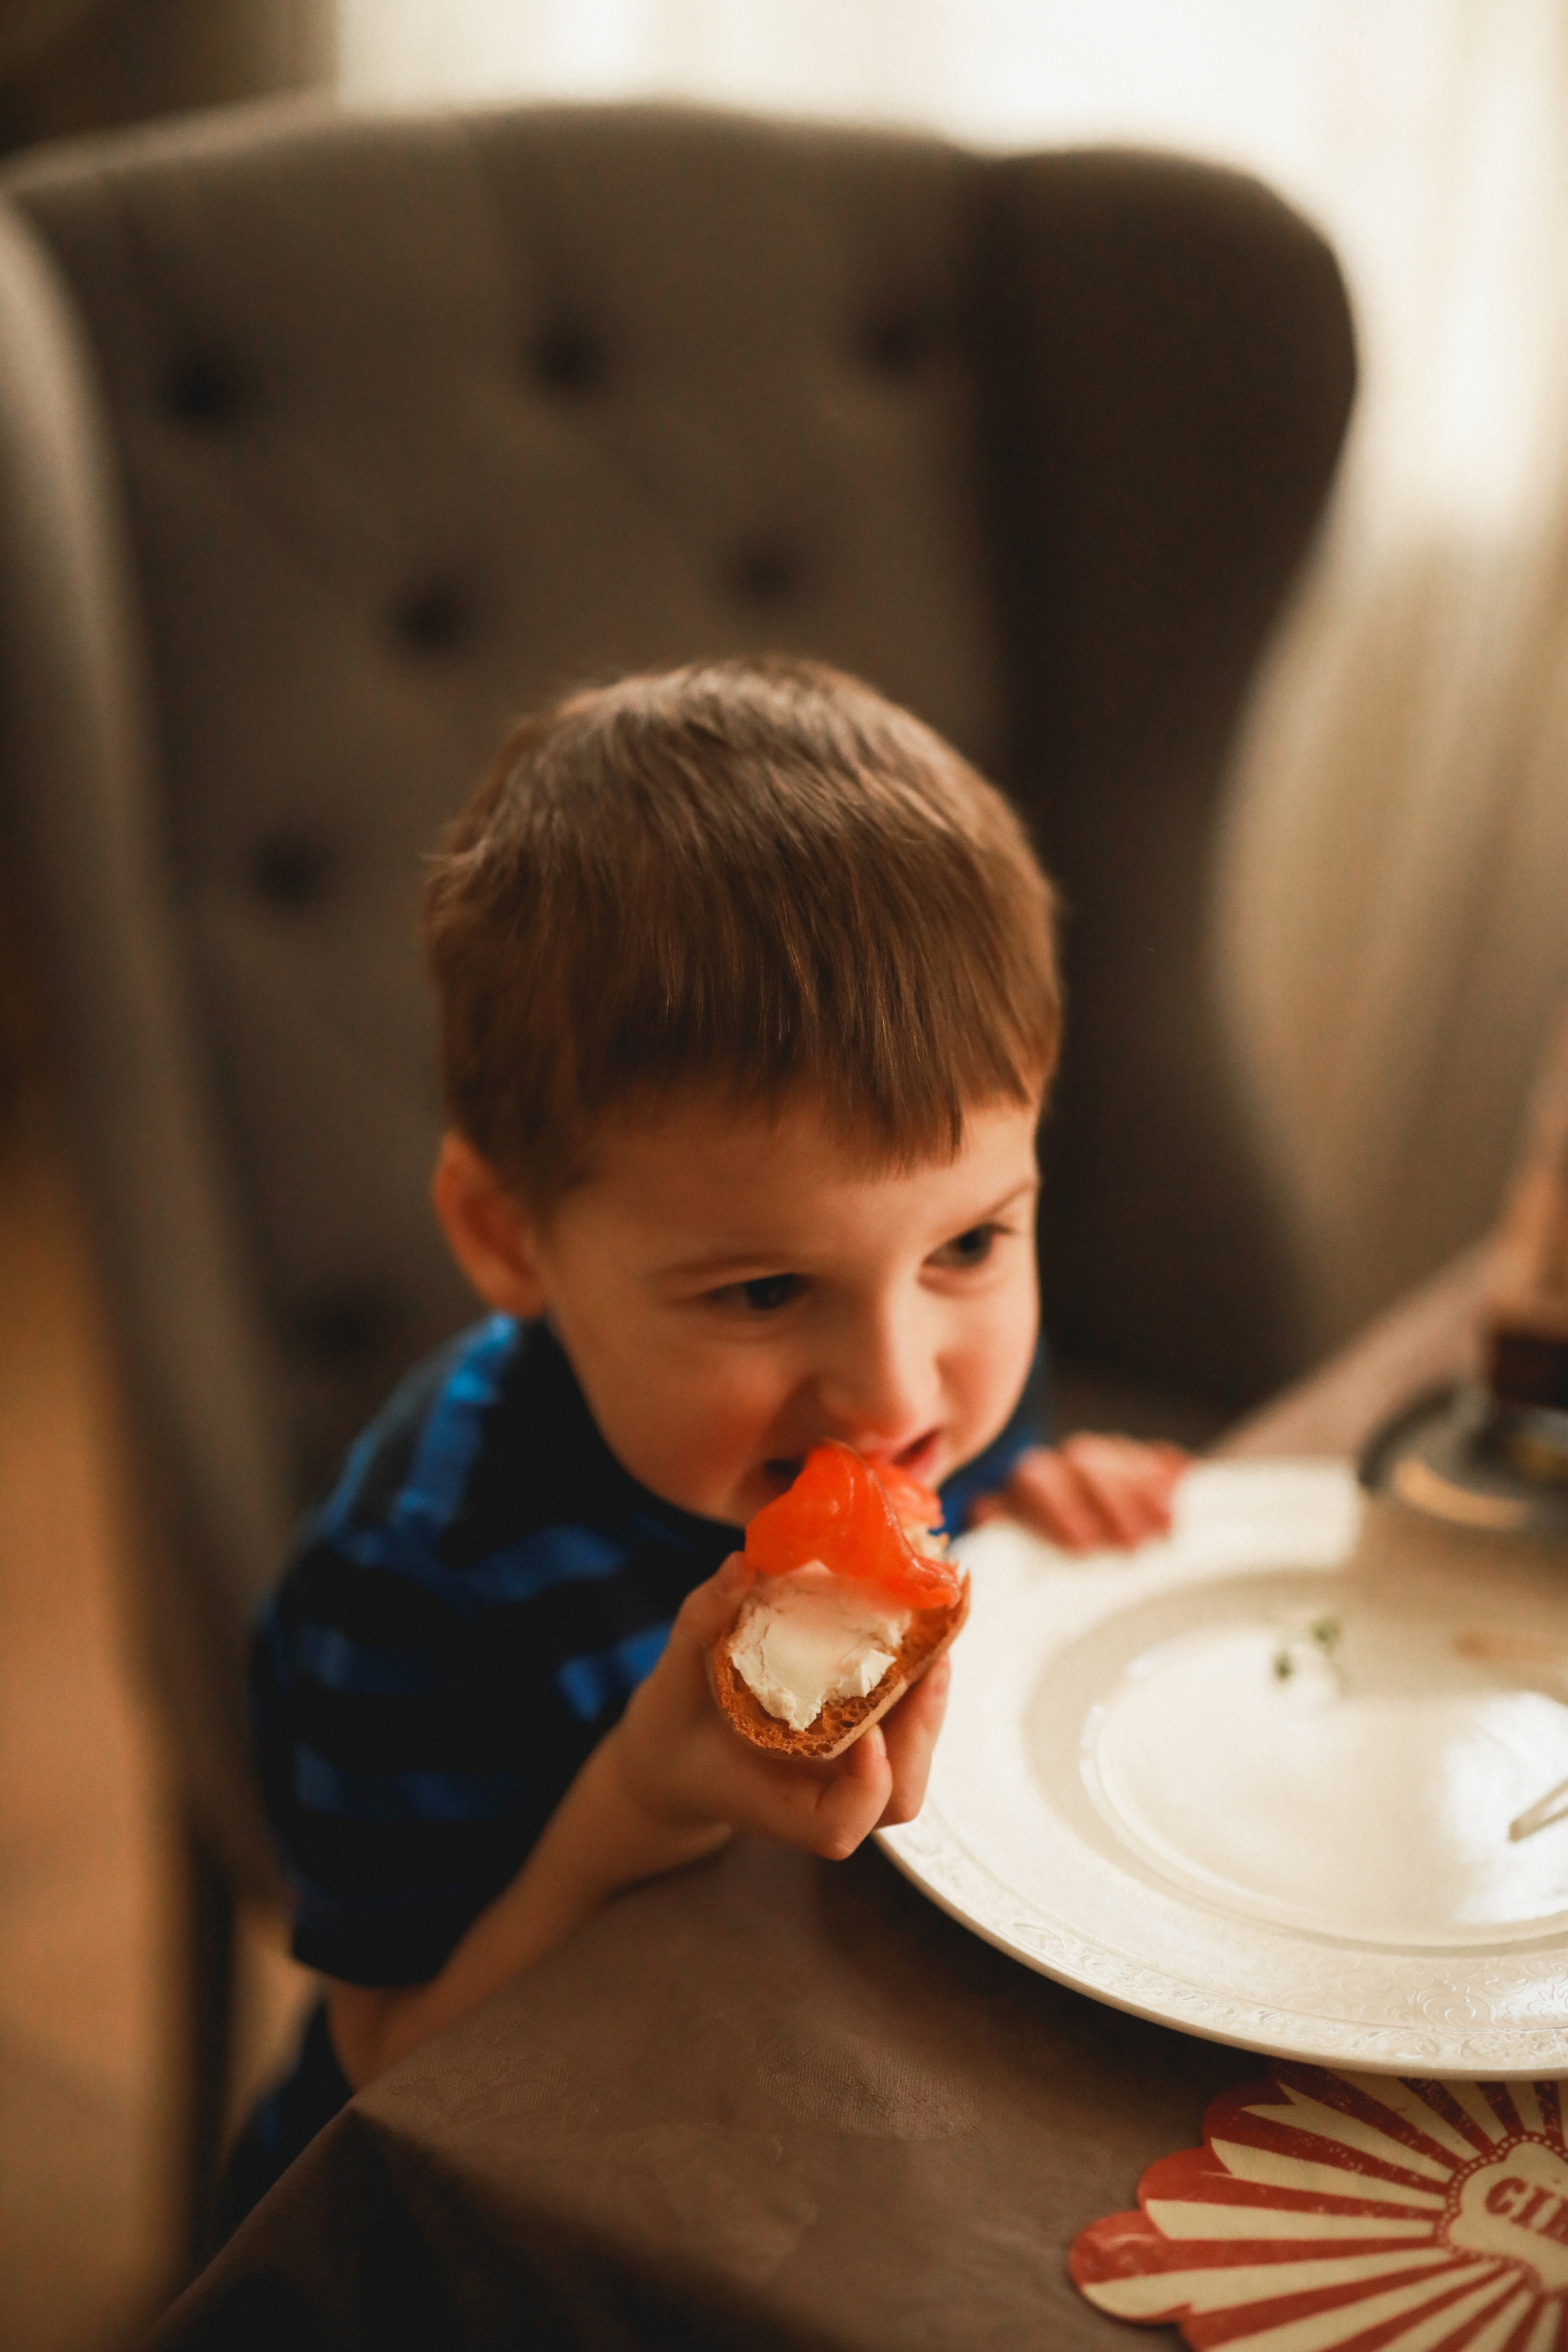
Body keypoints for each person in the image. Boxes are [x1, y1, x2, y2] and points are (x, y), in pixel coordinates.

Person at [217, 657, 1185, 2237]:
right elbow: (388, 2075)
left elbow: (953, 1440)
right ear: (506, 1235)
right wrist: (640, 1804)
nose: (892, 1394)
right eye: (761, 1288)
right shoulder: (418, 1584)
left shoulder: (937, 1396)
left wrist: (1024, 1493)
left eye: (969, 1247)